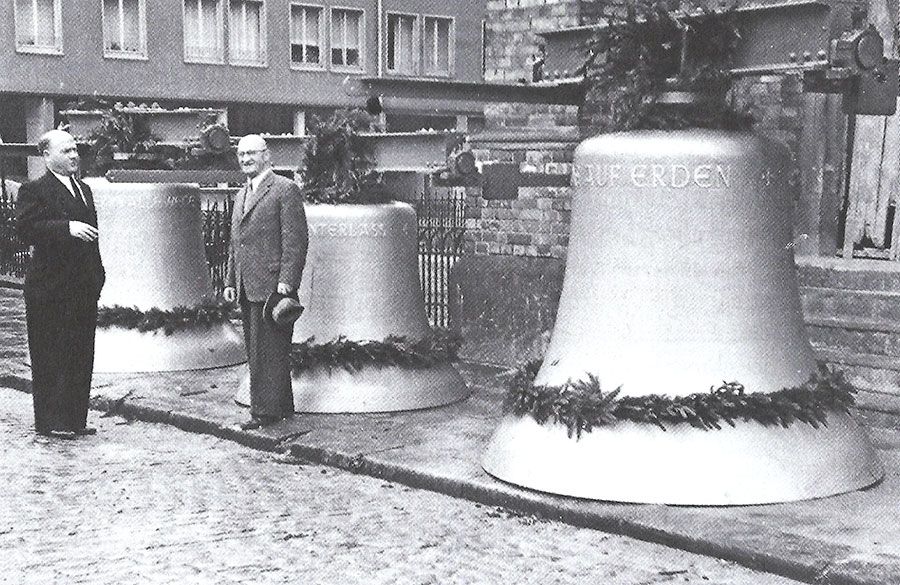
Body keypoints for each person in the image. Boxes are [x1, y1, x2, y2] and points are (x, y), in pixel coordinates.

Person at [16, 129, 105, 440]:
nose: (73, 155)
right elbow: (26, 229)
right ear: (46, 155)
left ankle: (75, 418)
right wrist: (66, 227)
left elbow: (92, 237)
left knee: (81, 353)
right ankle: (52, 421)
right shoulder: (34, 190)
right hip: (50, 289)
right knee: (52, 354)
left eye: (74, 150)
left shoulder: (84, 189)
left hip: (82, 287)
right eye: (66, 151)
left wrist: (98, 277)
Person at [224, 135, 308, 430]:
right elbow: (237, 242)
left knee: (269, 350)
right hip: (248, 284)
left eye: (251, 154)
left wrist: (287, 280)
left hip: (273, 286)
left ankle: (264, 412)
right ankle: (280, 407)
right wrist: (231, 280)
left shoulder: (285, 190)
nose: (246, 159)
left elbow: (295, 240)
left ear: (266, 156)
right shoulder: (240, 194)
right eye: (241, 154)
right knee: (258, 349)